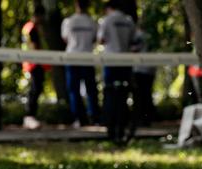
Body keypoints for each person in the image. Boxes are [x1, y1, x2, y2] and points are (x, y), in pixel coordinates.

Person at [97, 0, 136, 143]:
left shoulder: (106, 20)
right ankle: (121, 125)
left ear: (108, 8)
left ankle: (110, 128)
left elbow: (100, 40)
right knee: (123, 95)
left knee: (109, 94)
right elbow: (133, 41)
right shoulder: (128, 21)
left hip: (111, 62)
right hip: (125, 62)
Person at [61, 0, 100, 127]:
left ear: (76, 5)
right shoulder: (92, 22)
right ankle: (94, 117)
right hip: (87, 58)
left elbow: (65, 39)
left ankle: (79, 118)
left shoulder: (68, 21)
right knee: (91, 90)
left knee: (74, 90)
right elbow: (95, 39)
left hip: (72, 58)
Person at [21, 5, 49, 130]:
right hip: (35, 63)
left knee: (34, 89)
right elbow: (34, 46)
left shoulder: (27, 27)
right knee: (35, 89)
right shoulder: (33, 28)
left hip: (30, 63)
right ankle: (29, 117)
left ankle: (30, 117)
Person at [131, 24, 157, 127]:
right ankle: (148, 119)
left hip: (140, 68)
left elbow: (134, 49)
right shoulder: (151, 36)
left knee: (139, 95)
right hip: (150, 69)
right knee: (147, 94)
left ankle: (140, 119)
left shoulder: (138, 35)